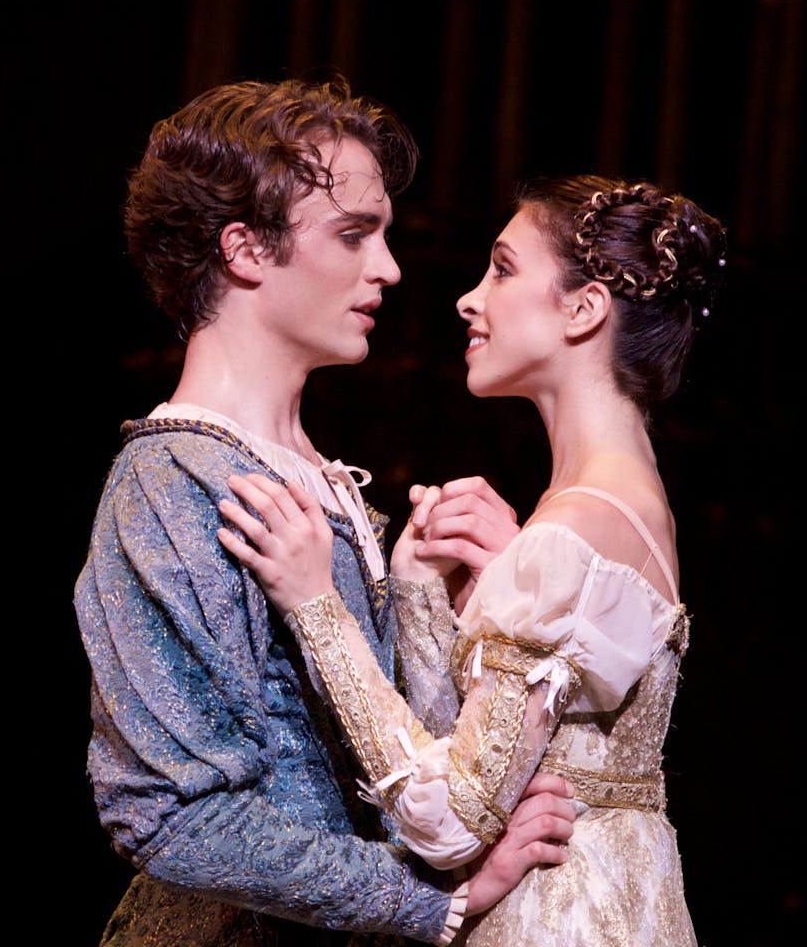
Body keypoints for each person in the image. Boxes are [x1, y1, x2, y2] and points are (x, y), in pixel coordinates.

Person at [73, 76, 578, 947]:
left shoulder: (330, 486)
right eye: (354, 235)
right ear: (244, 249)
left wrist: (436, 596)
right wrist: (436, 898)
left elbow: (396, 761)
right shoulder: (173, 484)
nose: (388, 266)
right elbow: (168, 815)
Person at [218, 174, 727, 945]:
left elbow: (451, 821)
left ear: (584, 309)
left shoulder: (577, 531)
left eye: (503, 269)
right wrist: (432, 584)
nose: (469, 297)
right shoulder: (616, 506)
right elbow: (471, 756)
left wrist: (315, 604)